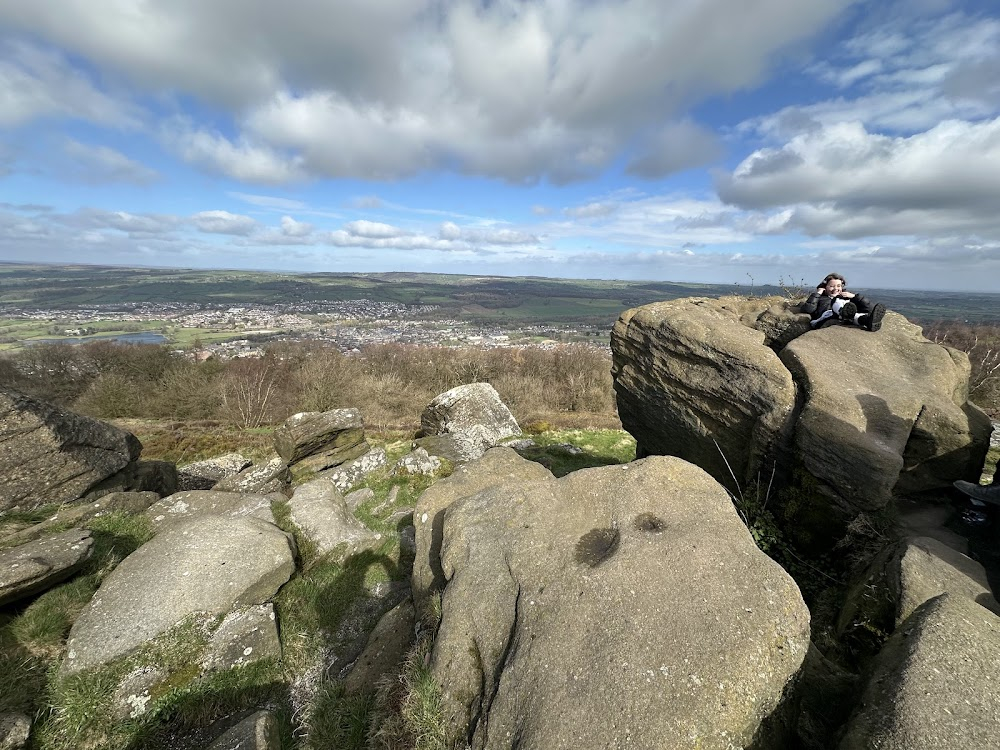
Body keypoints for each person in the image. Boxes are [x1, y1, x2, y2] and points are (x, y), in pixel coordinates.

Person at [801, 273, 886, 331]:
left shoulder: (846, 297)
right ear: (825, 287)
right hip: (826, 319)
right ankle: (843, 312)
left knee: (856, 315)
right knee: (838, 303)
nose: (835, 289)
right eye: (831, 286)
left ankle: (868, 322)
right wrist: (818, 293)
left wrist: (854, 297)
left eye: (838, 286)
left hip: (846, 319)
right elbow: (808, 309)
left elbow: (870, 309)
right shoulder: (820, 298)